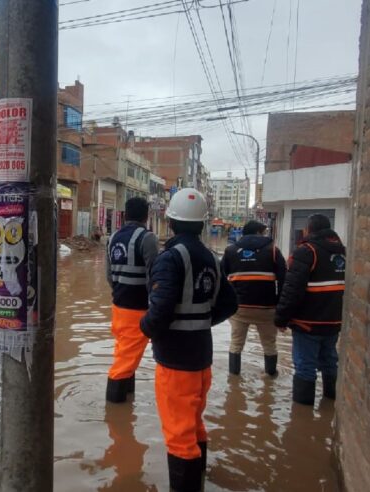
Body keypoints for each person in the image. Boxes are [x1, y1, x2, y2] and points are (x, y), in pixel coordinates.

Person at [140, 188, 238, 492]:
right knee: (194, 425)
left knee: (179, 436)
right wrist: (202, 322)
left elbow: (162, 307)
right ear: (203, 224)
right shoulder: (210, 256)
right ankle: (199, 480)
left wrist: (145, 327)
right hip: (201, 358)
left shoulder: (170, 257)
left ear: (170, 221)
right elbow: (230, 303)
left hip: (176, 362)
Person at [275, 214, 346, 406]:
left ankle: (302, 413)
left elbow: (292, 290)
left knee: (306, 366)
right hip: (334, 322)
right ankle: (331, 404)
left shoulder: (306, 251)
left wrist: (281, 319)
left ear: (309, 230)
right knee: (330, 361)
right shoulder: (344, 252)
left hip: (308, 323)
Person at [105, 197, 159, 403]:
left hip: (118, 306)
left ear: (125, 214)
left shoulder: (113, 237)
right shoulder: (148, 238)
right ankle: (115, 411)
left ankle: (128, 401)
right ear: (147, 216)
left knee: (125, 353)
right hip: (138, 309)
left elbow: (108, 276)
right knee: (124, 362)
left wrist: (121, 292)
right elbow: (155, 276)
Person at [222, 220, 287, 376]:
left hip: (239, 309)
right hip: (266, 309)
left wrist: (228, 303)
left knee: (236, 344)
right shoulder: (273, 251)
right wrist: (279, 307)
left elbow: (221, 279)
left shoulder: (230, 251)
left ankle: (234, 379)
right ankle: (270, 377)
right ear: (258, 232)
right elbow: (284, 281)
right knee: (269, 345)